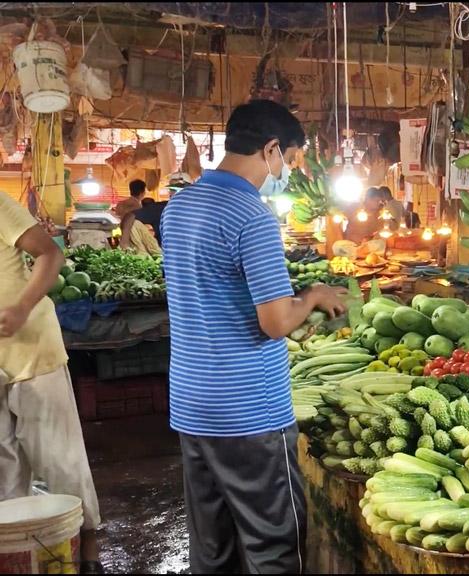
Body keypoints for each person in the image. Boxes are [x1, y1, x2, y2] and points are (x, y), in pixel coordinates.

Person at [161, 100, 347, 574]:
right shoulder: (252, 216)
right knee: (275, 546)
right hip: (249, 412)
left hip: (192, 405)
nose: (285, 171)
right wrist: (313, 295)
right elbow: (276, 322)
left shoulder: (178, 207)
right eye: (288, 159)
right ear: (270, 150)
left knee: (213, 548)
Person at [0, 194, 102, 573]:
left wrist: (22, 306)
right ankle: (20, 557)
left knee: (60, 461)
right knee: (5, 475)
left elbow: (50, 255)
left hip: (33, 352)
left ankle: (89, 548)